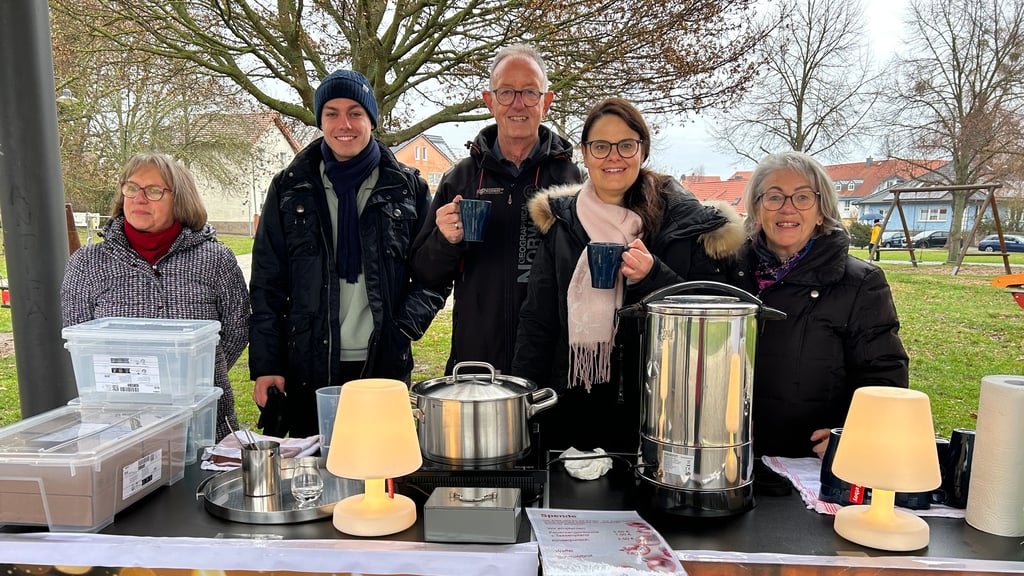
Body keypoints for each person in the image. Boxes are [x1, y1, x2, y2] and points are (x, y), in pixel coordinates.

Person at [511, 98, 746, 455]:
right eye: (600, 146)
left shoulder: (681, 221)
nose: (613, 157)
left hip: (663, 408)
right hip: (576, 405)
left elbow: (710, 318)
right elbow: (537, 320)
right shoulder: (563, 223)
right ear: (586, 155)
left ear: (643, 150)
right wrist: (524, 404)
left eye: (626, 145)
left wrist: (653, 276)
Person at [249, 69, 444, 438]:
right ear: (320, 120)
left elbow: (433, 275)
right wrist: (266, 363)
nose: (344, 124)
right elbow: (267, 284)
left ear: (371, 119)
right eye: (332, 113)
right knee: (317, 482)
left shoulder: (408, 189)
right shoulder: (291, 188)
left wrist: (402, 329)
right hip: (307, 365)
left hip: (383, 360)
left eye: (355, 112)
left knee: (383, 478)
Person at [410, 44, 582, 376]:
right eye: (506, 92)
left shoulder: (571, 180)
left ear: (546, 102)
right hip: (476, 360)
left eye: (529, 92)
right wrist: (445, 241)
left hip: (550, 360)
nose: (518, 104)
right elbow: (424, 273)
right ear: (490, 101)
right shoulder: (460, 178)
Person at [726, 151, 909, 459]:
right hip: (728, 454)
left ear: (821, 211)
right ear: (757, 209)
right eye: (774, 197)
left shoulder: (860, 283)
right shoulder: (727, 274)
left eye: (802, 197)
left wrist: (854, 431)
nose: (788, 208)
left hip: (810, 458)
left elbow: (884, 376)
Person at [61, 152, 250, 441]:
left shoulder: (215, 259)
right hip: (118, 428)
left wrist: (198, 373)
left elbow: (238, 328)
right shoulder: (88, 263)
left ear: (180, 199)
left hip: (204, 422)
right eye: (132, 188)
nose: (139, 198)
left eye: (153, 191)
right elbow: (80, 340)